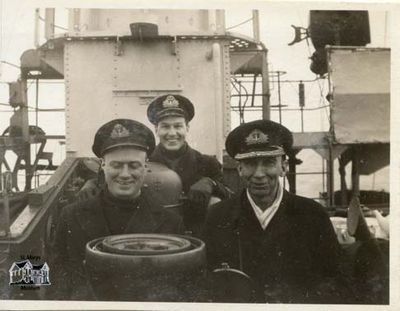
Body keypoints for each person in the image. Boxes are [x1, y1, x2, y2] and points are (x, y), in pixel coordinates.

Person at [204, 119, 344, 303]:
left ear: (283, 167)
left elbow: (333, 280)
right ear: (239, 168)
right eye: (250, 163)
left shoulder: (312, 215)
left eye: (269, 163)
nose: (259, 174)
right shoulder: (218, 216)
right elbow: (208, 283)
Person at [50, 119, 184, 300]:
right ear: (103, 165)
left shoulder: (170, 222)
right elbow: (58, 278)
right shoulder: (71, 215)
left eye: (134, 165)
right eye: (116, 165)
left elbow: (177, 287)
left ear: (145, 167)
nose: (125, 174)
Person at [147, 94, 231, 235]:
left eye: (178, 126)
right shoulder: (144, 163)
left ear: (187, 128)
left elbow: (230, 197)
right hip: (154, 235)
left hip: (196, 236)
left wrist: (211, 183)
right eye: (165, 127)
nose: (172, 133)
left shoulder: (207, 163)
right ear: (156, 130)